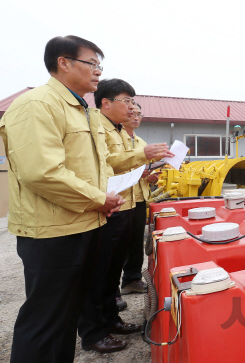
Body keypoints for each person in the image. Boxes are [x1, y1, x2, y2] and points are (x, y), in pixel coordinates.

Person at [0, 35, 125, 363]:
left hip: (82, 224)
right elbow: (42, 172)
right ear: (63, 63)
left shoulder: (82, 109)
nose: (98, 72)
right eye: (92, 64)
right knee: (46, 322)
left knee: (66, 320)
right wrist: (99, 198)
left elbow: (92, 166)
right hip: (53, 232)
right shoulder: (37, 105)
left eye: (100, 65)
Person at [77, 78, 174, 353]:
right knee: (98, 272)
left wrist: (143, 167)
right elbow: (105, 164)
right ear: (105, 102)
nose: (133, 108)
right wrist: (140, 156)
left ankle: (110, 320)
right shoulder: (95, 127)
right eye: (128, 102)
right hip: (106, 206)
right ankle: (94, 332)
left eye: (134, 103)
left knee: (110, 270)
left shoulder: (118, 130)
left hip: (124, 204)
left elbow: (120, 166)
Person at [118, 104, 157, 304]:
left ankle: (132, 279)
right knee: (117, 245)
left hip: (139, 197)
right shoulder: (115, 137)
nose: (136, 117)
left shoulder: (141, 142)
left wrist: (149, 178)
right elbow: (110, 166)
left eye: (139, 114)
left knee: (135, 242)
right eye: (132, 113)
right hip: (120, 198)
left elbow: (140, 171)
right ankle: (111, 292)